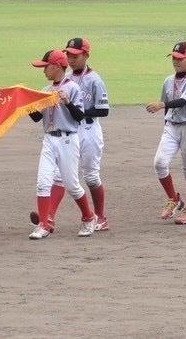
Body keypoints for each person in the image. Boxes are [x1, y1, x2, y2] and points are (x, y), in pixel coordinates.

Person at [25, 48, 100, 239]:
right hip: (49, 139)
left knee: (72, 185)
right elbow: (36, 117)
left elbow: (79, 116)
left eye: (46, 67)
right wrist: (27, 104)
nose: (44, 71)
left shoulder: (72, 88)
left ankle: (89, 217)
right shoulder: (46, 91)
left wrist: (67, 102)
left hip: (68, 140)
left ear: (57, 67)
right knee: (43, 182)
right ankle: (44, 224)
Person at [146, 40, 186, 225]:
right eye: (174, 58)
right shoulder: (168, 81)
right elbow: (167, 108)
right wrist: (165, 121)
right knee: (160, 163)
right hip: (171, 126)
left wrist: (163, 104)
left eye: (180, 58)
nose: (176, 61)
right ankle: (174, 198)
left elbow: (183, 101)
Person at [65, 37, 111, 231]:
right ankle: (47, 218)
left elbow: (103, 110)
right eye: (68, 55)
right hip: (71, 129)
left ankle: (101, 217)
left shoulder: (95, 79)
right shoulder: (66, 77)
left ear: (86, 55)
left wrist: (79, 111)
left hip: (89, 130)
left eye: (75, 55)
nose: (71, 59)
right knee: (60, 174)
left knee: (91, 176)